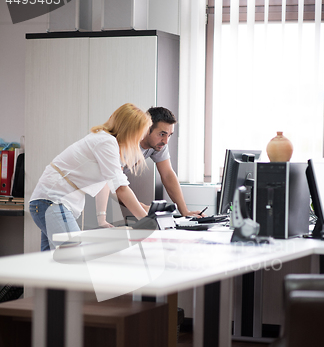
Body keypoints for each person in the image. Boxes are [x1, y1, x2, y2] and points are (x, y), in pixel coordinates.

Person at [29, 103, 149, 251]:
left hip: (48, 201)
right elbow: (121, 188)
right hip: (52, 201)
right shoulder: (106, 142)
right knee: (74, 255)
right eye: (140, 134)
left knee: (51, 263)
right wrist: (147, 222)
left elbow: (107, 183)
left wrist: (102, 218)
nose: (141, 138)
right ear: (132, 131)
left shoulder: (104, 140)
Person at [138, 107, 203, 217]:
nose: (165, 141)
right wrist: (140, 207)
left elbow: (168, 175)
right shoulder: (127, 143)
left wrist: (185, 212)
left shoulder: (158, 144)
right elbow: (116, 183)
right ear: (146, 129)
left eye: (169, 135)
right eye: (162, 134)